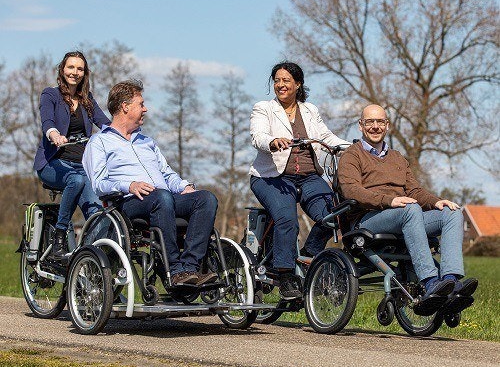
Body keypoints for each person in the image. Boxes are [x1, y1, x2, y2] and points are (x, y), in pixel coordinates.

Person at [338, 103, 478, 315]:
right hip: (368, 219)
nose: (375, 127)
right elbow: (351, 191)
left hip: (403, 215)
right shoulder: (352, 155)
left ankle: (450, 282)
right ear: (361, 125)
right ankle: (430, 281)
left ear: (387, 126)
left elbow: (414, 191)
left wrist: (436, 202)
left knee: (452, 213)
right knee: (411, 209)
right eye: (369, 122)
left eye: (380, 122)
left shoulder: (397, 158)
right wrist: (389, 201)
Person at [83, 79, 218, 286]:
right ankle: (173, 271)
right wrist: (128, 185)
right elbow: (99, 183)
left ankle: (190, 268)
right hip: (127, 203)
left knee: (206, 199)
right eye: (141, 104)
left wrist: (184, 187)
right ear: (125, 107)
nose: (145, 109)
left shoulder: (147, 142)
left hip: (163, 198)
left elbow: (166, 173)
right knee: (161, 197)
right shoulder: (99, 141)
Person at [249, 61, 349, 300]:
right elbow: (258, 135)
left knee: (333, 215)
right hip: (272, 177)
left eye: (286, 81)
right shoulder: (263, 108)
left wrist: (351, 148)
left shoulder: (309, 110)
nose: (280, 85)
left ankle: (308, 254)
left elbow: (325, 136)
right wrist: (272, 142)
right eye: (277, 80)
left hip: (308, 177)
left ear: (298, 84)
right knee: (287, 219)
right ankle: (285, 275)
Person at [34, 51, 111, 257]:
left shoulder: (87, 99)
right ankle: (59, 233)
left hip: (81, 165)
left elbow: (104, 124)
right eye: (71, 67)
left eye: (79, 69)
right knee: (75, 180)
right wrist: (54, 135)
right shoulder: (50, 95)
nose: (75, 72)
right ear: (62, 69)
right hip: (53, 163)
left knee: (99, 215)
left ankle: (86, 259)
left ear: (84, 73)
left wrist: (123, 134)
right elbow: (47, 122)